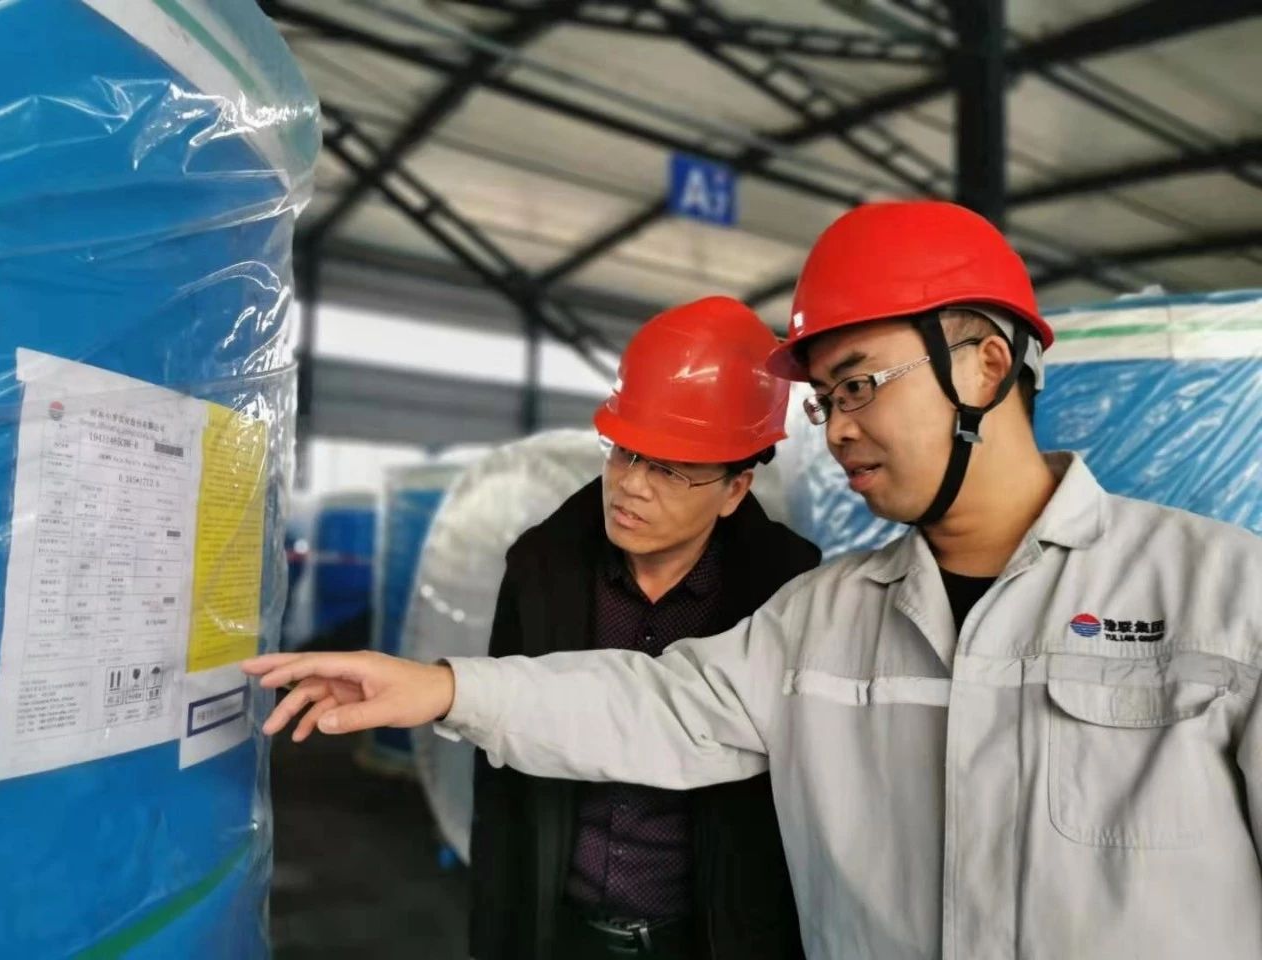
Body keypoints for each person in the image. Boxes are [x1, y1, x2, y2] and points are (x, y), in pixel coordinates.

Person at [246, 201, 1262, 960]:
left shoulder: (1221, 595)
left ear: (986, 365)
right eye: (823, 403)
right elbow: (661, 706)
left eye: (858, 383)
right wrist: (441, 688)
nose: (841, 430)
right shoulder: (824, 615)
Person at [469, 297, 818, 959]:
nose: (631, 485)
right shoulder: (541, 572)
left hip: (712, 938)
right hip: (559, 930)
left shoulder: (788, 593)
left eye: (668, 468)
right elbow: (501, 780)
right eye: (625, 452)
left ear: (736, 489)